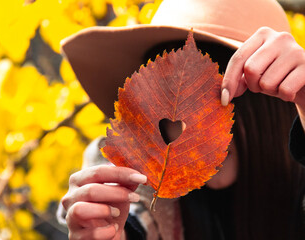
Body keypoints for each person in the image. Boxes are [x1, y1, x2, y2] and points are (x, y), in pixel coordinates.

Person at [57, 0, 305, 239]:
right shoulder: (139, 178)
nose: (187, 129)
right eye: (164, 100)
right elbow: (135, 215)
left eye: (209, 95)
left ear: (269, 97)